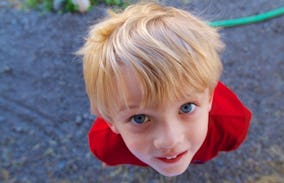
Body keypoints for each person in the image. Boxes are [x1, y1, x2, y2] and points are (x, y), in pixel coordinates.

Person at [77, 2, 251, 177]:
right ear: (109, 120)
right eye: (140, 118)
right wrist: (112, 157)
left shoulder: (232, 124)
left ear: (210, 98)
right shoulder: (105, 146)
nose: (171, 141)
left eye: (186, 107)